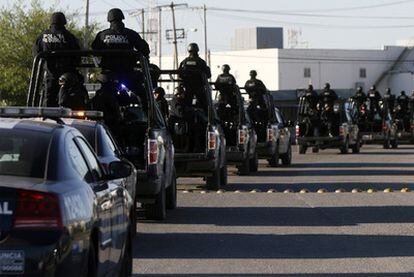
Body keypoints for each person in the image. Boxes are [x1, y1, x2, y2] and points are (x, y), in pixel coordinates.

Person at [92, 8, 150, 93]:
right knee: (143, 95)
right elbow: (145, 49)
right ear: (122, 18)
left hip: (108, 74)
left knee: (103, 94)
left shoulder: (102, 35)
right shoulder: (131, 34)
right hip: (128, 74)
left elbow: (94, 51)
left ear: (109, 19)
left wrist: (100, 63)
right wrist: (135, 58)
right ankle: (146, 106)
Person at [33, 12, 80, 107]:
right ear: (64, 22)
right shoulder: (69, 36)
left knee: (48, 101)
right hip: (67, 77)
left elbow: (36, 53)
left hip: (50, 75)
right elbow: (77, 56)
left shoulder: (42, 36)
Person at [178, 43, 211, 112]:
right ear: (197, 50)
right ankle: (207, 119)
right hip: (199, 88)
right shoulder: (201, 62)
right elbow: (208, 75)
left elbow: (179, 74)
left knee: (186, 105)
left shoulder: (184, 62)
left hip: (187, 88)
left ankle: (185, 119)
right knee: (205, 106)